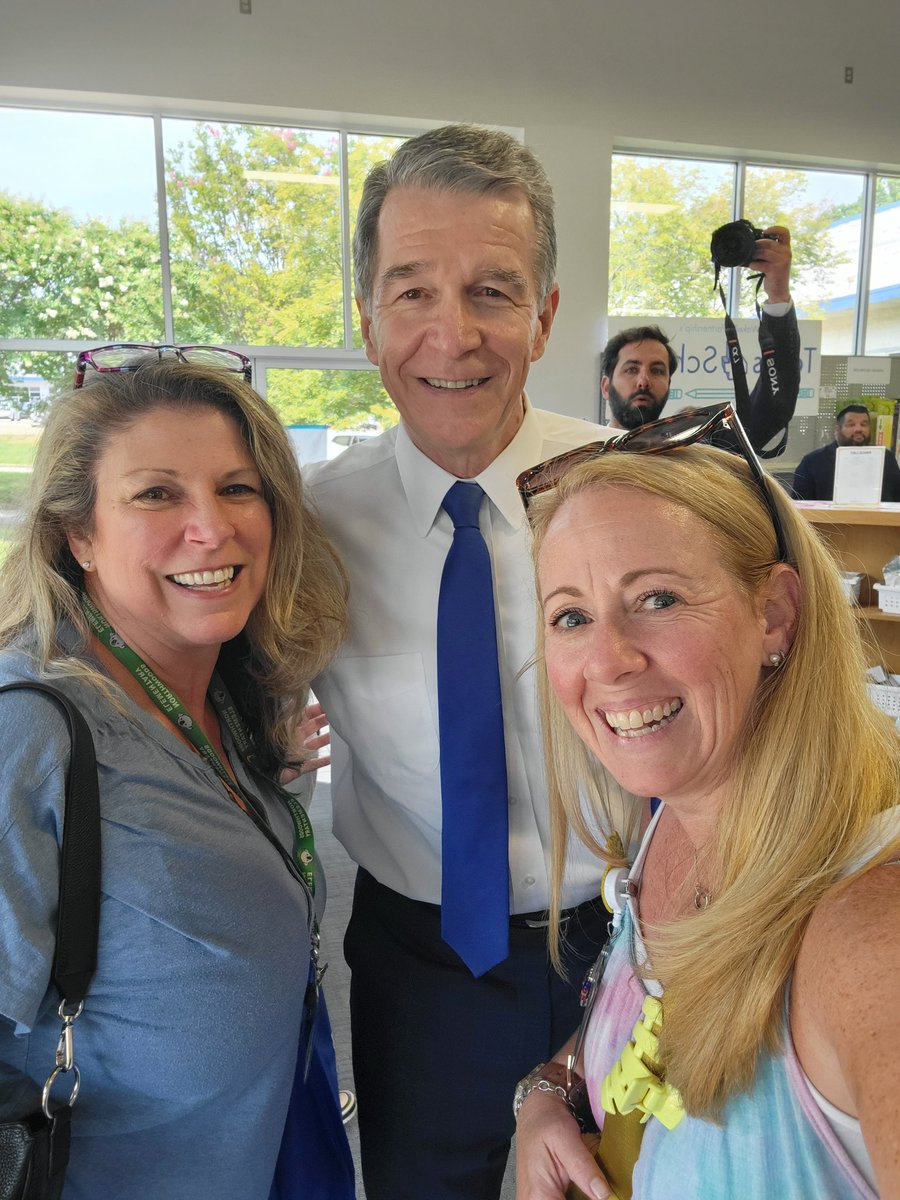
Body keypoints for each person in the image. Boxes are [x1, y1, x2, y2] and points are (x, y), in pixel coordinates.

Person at [305, 124, 630, 1200]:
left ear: (542, 317)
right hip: (422, 960)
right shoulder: (306, 527)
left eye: (493, 292)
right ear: (366, 320)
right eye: (411, 293)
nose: (454, 335)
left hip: (637, 937)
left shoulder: (635, 497)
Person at [513, 411, 900, 1198]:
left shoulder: (870, 934)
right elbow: (637, 1018)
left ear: (775, 615)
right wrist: (546, 1095)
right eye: (572, 616)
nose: (608, 661)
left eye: (656, 598)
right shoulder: (668, 823)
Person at [0, 351, 354, 1199]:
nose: (212, 527)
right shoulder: (29, 729)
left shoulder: (225, 696)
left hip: (266, 1151)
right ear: (76, 534)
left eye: (238, 489)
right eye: (157, 494)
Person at [600, 227, 800, 454]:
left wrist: (778, 295)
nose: (644, 381)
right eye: (631, 369)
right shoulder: (578, 456)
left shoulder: (693, 450)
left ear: (668, 385)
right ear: (606, 387)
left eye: (657, 371)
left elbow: (771, 413)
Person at [792, 403, 900, 500]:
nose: (858, 429)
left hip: (879, 520)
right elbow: (800, 506)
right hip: (829, 520)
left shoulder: (885, 458)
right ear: (837, 430)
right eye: (851, 424)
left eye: (864, 424)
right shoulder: (812, 461)